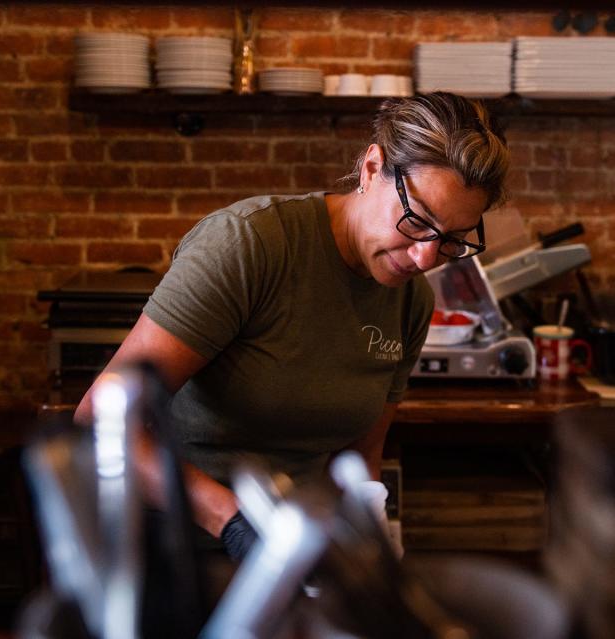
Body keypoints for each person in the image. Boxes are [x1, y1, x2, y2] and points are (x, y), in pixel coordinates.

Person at [73, 92, 510, 562]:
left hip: (290, 550)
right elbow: (100, 421)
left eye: (452, 239)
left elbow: (361, 451)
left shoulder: (411, 301)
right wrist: (235, 523)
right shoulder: (251, 245)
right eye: (416, 221)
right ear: (370, 168)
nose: (427, 257)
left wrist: (370, 535)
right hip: (166, 545)